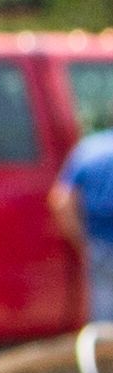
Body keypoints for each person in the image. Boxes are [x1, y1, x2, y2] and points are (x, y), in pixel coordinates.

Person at [52, 105, 113, 326]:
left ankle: (103, 357)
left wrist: (81, 239)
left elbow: (61, 200)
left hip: (98, 240)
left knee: (104, 311)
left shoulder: (88, 149)